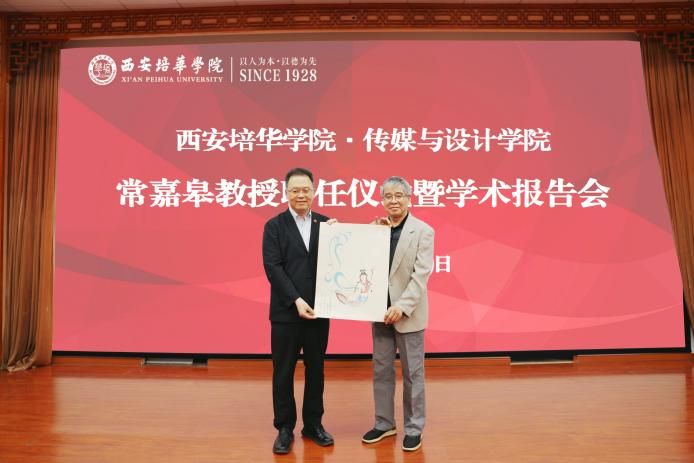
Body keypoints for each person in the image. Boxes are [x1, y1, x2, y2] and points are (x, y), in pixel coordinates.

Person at [262, 167, 334, 454]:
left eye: (306, 189)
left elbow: (339, 261)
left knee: (316, 370)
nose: (301, 194)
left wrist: (341, 237)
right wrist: (296, 300)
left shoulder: (327, 225)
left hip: (319, 311)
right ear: (286, 193)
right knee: (283, 371)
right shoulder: (274, 226)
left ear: (314, 191)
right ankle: (284, 427)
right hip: (286, 313)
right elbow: (273, 267)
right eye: (295, 190)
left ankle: (313, 424)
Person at [361, 176, 434, 452]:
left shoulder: (423, 231)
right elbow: (359, 258)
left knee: (413, 374)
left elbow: (420, 276)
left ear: (409, 199)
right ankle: (384, 423)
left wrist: (401, 306)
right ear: (382, 200)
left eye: (399, 195)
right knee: (381, 371)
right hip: (380, 313)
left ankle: (414, 428)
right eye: (388, 196)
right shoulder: (376, 229)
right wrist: (335, 229)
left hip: (408, 315)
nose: (393, 200)